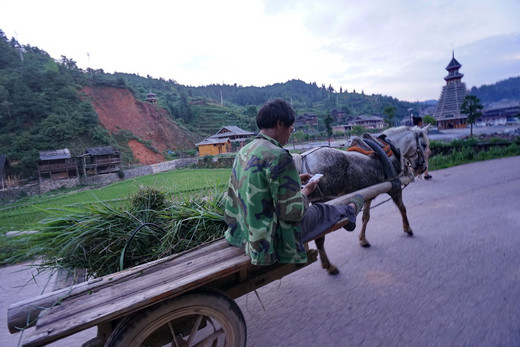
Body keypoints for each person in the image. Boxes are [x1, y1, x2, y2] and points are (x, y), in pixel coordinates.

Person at [224, 99, 364, 265]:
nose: (290, 134)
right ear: (279, 124)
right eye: (291, 129)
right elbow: (292, 213)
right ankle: (350, 209)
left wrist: (295, 180)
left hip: (242, 230)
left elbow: (258, 182)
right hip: (270, 238)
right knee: (321, 210)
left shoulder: (244, 151)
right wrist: (305, 191)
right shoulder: (280, 155)